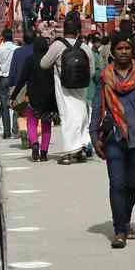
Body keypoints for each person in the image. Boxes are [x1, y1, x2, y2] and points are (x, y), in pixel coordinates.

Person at [92, 31, 135, 248]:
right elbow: (96, 108)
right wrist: (94, 136)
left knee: (132, 184)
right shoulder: (105, 77)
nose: (123, 52)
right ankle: (119, 230)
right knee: (117, 183)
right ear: (112, 52)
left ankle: (126, 219)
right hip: (113, 137)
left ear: (132, 51)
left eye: (127, 48)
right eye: (119, 48)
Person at [40, 12, 95, 163]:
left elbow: (43, 64)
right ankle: (81, 148)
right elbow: (92, 71)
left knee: (67, 117)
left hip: (63, 87)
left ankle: (69, 152)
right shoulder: (85, 47)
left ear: (64, 30)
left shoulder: (57, 45)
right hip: (81, 88)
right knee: (81, 116)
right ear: (78, 32)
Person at [10, 33, 59, 161]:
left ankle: (35, 144)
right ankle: (44, 152)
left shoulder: (30, 60)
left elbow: (21, 80)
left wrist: (13, 96)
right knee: (46, 126)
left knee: (31, 123)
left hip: (32, 96)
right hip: (49, 97)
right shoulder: (50, 60)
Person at [6, 29, 34, 149]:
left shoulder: (17, 52)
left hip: (20, 86)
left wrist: (11, 86)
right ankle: (33, 138)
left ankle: (23, 134)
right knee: (34, 114)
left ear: (23, 39)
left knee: (21, 113)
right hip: (35, 85)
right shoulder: (37, 51)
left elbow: (12, 71)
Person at [0, 28, 20, 139]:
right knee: (16, 104)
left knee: (4, 106)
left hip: (3, 78)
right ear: (12, 37)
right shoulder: (17, 49)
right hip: (15, 79)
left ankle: (6, 132)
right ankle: (15, 129)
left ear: (3, 37)